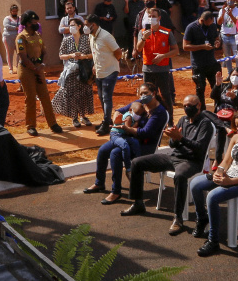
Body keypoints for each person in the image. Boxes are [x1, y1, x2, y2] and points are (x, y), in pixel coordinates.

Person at [122, 94, 213, 236]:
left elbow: (199, 148)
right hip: (174, 157)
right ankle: (138, 203)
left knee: (180, 175)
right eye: (184, 106)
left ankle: (178, 218)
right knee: (137, 163)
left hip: (192, 161)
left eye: (190, 105)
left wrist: (180, 138)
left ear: (199, 105)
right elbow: (172, 144)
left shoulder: (205, 124)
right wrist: (174, 138)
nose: (187, 108)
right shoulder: (183, 120)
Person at [189, 108, 238, 256]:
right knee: (195, 184)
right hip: (228, 176)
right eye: (237, 127)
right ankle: (202, 218)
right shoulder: (235, 138)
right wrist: (218, 173)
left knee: (212, 197)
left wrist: (229, 182)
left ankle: (213, 241)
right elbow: (226, 161)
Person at [85, 83, 167, 204]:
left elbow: (144, 133)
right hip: (127, 138)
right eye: (141, 93)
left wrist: (126, 128)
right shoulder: (139, 104)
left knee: (115, 154)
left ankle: (116, 191)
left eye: (146, 93)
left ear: (153, 93)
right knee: (102, 150)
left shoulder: (159, 112)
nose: (143, 96)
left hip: (144, 145)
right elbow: (119, 110)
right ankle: (99, 183)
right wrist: (117, 120)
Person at [16, 10, 62, 137]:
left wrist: (41, 64)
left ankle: (52, 123)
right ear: (27, 23)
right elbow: (23, 56)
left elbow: (44, 53)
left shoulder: (38, 36)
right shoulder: (21, 38)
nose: (36, 23)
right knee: (30, 98)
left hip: (38, 69)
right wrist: (33, 67)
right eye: (33, 22)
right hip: (26, 70)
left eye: (37, 21)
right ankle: (31, 126)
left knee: (45, 96)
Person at [135, 8, 179, 121]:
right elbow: (138, 48)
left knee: (165, 95)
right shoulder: (143, 32)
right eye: (149, 16)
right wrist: (144, 38)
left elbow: (176, 51)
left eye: (154, 16)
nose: (151, 19)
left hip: (162, 69)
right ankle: (149, 119)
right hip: (148, 69)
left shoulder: (166, 32)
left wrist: (163, 56)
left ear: (159, 18)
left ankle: (170, 120)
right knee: (146, 95)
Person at [85, 14, 123, 136]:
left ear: (93, 25)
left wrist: (112, 64)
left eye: (87, 25)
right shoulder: (91, 36)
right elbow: (96, 53)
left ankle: (106, 124)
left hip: (110, 71)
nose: (85, 27)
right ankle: (108, 120)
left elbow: (118, 52)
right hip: (99, 72)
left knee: (106, 97)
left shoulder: (106, 36)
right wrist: (95, 65)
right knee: (101, 97)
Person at [52, 17, 94, 128]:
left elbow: (93, 54)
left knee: (84, 93)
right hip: (71, 71)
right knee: (72, 95)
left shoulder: (86, 39)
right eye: (70, 25)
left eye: (73, 25)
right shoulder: (66, 40)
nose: (70, 27)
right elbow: (61, 55)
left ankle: (83, 116)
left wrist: (84, 56)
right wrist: (71, 55)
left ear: (79, 26)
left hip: (84, 70)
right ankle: (74, 117)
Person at [183, 11, 222, 102]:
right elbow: (185, 46)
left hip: (211, 62)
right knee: (200, 89)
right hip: (198, 64)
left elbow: (216, 38)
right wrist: (202, 47)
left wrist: (217, 42)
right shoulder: (191, 28)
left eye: (211, 23)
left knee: (216, 86)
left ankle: (219, 107)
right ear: (202, 20)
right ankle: (201, 110)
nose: (209, 25)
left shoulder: (212, 26)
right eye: (207, 24)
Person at [108, 101, 143, 174]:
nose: (138, 116)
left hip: (123, 135)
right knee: (125, 145)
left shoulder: (133, 116)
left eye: (140, 114)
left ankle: (139, 162)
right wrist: (135, 125)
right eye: (137, 113)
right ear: (130, 110)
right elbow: (127, 130)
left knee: (135, 142)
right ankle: (128, 168)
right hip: (116, 135)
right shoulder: (129, 117)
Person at [217, 0, 238, 74]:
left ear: (234, 1)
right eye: (228, 0)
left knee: (236, 56)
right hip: (224, 36)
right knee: (227, 57)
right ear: (226, 1)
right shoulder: (222, 10)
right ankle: (229, 72)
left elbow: (237, 23)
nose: (230, 1)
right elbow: (219, 22)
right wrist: (223, 14)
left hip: (234, 36)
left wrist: (231, 15)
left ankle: (237, 73)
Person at [2, 4, 20, 74]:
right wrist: (16, 28)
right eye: (13, 11)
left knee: (19, 52)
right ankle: (11, 68)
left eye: (16, 11)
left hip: (18, 38)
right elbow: (7, 26)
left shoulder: (19, 18)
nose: (14, 12)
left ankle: (18, 66)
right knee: (10, 53)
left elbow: (22, 25)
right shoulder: (7, 18)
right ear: (10, 11)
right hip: (8, 37)